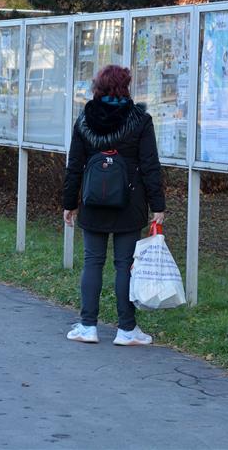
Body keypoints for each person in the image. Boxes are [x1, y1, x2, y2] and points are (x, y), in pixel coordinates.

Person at [62, 65, 166, 346]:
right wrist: (158, 204)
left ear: (98, 87)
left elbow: (74, 166)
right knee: (124, 265)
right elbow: (150, 166)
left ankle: (87, 326)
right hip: (129, 203)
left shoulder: (85, 119)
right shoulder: (140, 120)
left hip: (93, 202)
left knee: (92, 262)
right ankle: (127, 330)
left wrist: (70, 203)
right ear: (125, 87)